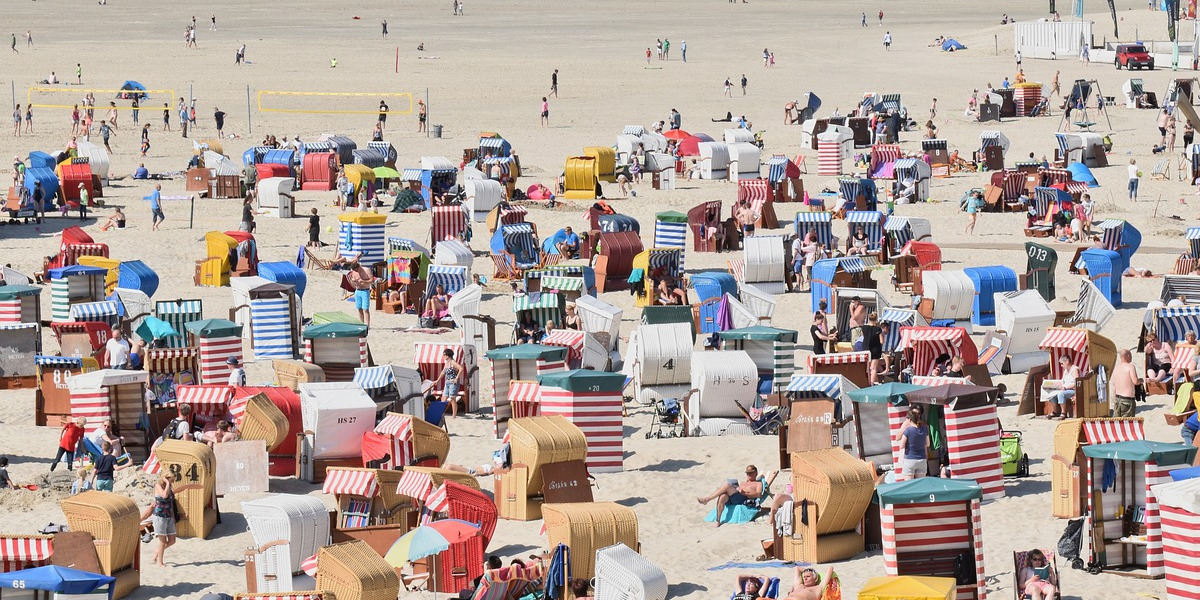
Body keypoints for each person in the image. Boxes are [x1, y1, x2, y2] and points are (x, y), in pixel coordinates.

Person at [696, 465, 776, 527]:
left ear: (756, 473)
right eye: (747, 473)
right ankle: (718, 520)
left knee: (728, 485)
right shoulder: (743, 483)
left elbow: (759, 494)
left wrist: (744, 493)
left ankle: (708, 499)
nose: (748, 475)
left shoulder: (758, 483)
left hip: (743, 498)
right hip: (736, 496)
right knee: (723, 496)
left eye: (751, 473)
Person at [148, 472, 177, 566]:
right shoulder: (158, 486)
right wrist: (167, 484)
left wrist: (173, 517)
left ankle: (157, 552)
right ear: (166, 478)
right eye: (171, 480)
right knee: (163, 541)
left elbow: (171, 503)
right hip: (159, 516)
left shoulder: (170, 487)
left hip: (168, 516)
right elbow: (164, 495)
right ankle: (160, 562)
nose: (172, 482)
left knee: (172, 540)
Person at [898, 408, 929, 478]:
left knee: (909, 486)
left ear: (909, 419)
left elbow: (901, 446)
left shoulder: (908, 430)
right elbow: (928, 444)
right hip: (922, 460)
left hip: (909, 459)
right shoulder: (924, 428)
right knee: (921, 485)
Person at [1111, 350, 1141, 418]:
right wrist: (1141, 381)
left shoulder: (1116, 368)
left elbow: (1114, 385)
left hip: (1117, 398)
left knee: (1117, 423)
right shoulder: (1130, 367)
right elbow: (1135, 381)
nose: (1131, 357)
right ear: (1128, 356)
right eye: (1130, 355)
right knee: (1127, 424)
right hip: (1127, 399)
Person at [435, 349, 464, 417]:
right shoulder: (447, 363)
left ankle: (454, 415)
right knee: (443, 398)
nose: (443, 356)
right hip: (447, 383)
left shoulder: (452, 362)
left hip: (453, 383)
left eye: (444, 355)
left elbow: (461, 368)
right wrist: (437, 380)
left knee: (452, 399)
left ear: (448, 355)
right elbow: (443, 372)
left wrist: (456, 378)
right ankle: (440, 413)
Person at [347, 260, 376, 327]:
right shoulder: (354, 272)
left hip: (365, 290)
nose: (356, 271)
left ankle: (368, 325)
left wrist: (364, 281)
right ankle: (361, 323)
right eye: (355, 270)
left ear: (359, 266)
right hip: (357, 291)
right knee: (359, 308)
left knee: (366, 309)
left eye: (357, 270)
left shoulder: (366, 270)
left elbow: (372, 280)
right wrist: (353, 280)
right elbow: (352, 279)